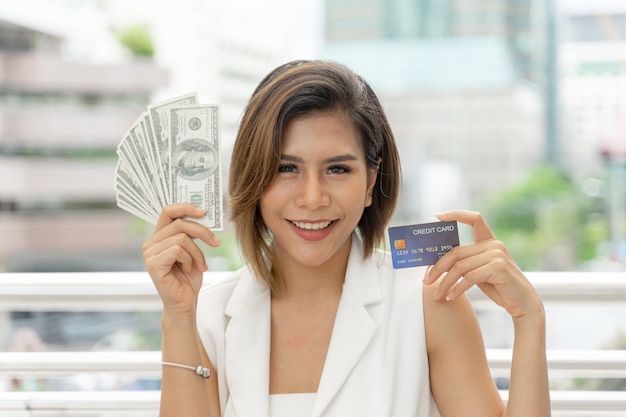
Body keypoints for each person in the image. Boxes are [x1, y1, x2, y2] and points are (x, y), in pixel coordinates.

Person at [142, 60, 551, 417]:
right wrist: (178, 318)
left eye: (338, 169)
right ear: (253, 177)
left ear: (371, 182)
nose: (312, 197)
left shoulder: (428, 301)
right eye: (286, 168)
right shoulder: (209, 316)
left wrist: (528, 319)